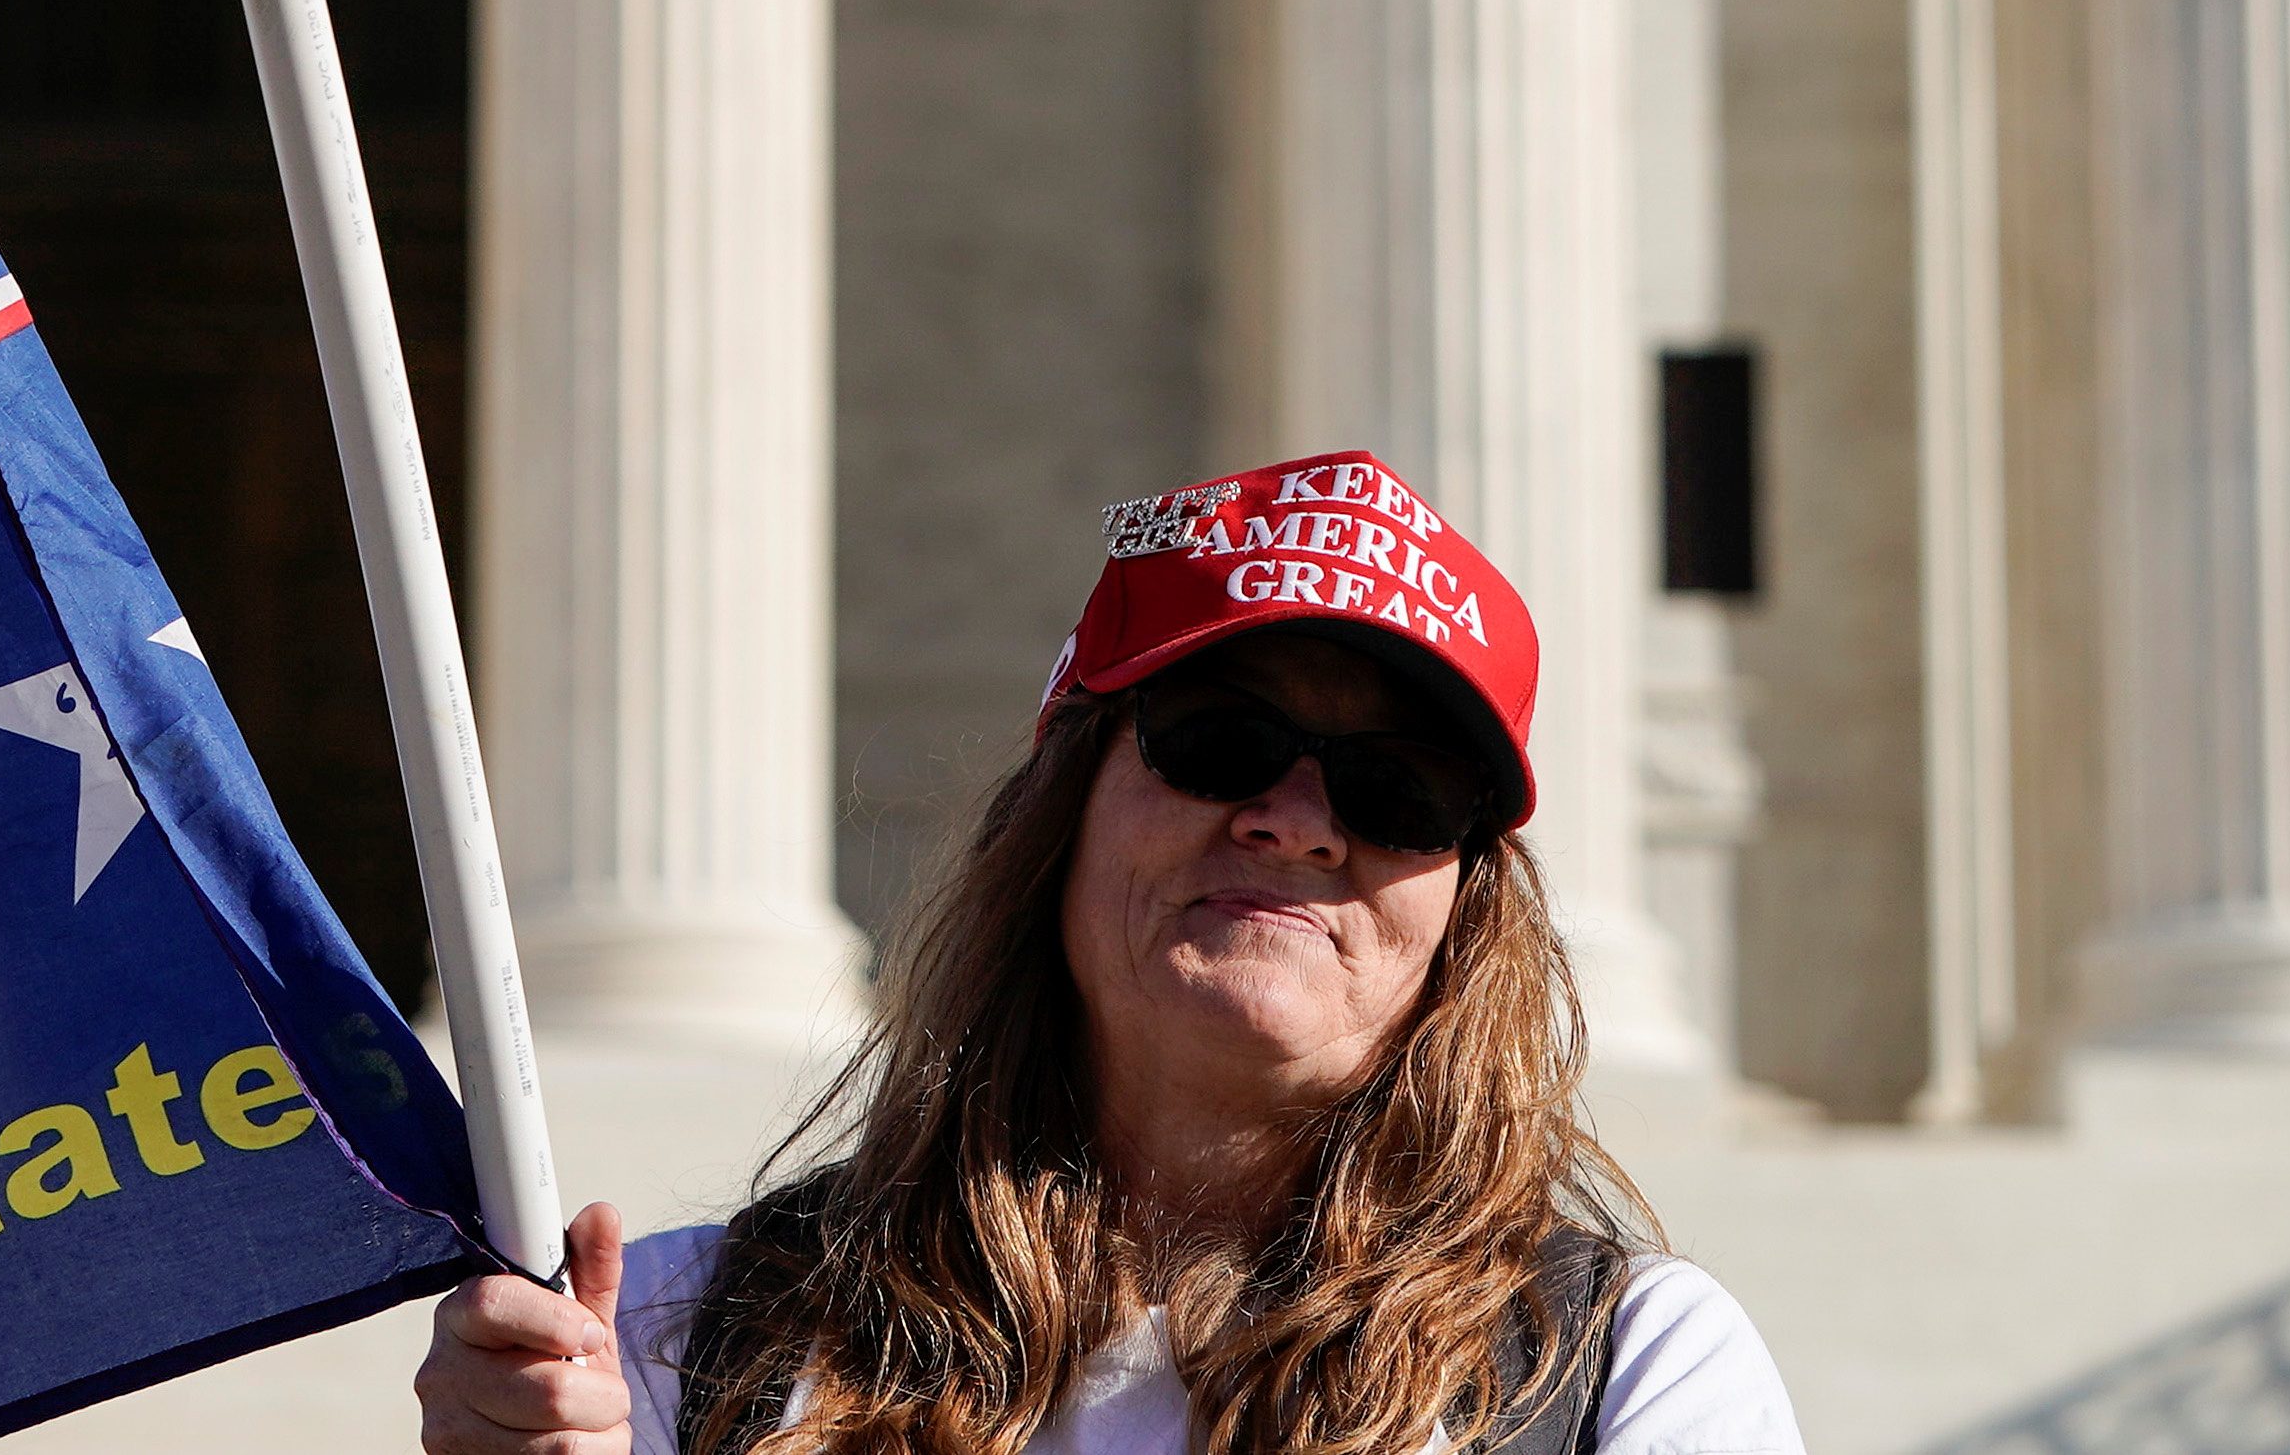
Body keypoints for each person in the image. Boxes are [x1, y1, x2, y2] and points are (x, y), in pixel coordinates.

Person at [415, 455, 1807, 1455]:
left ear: (1465, 905)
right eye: (1220, 738)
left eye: (1399, 788)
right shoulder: (671, 1333)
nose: (1298, 820)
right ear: (1063, 805)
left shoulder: (1629, 1370)